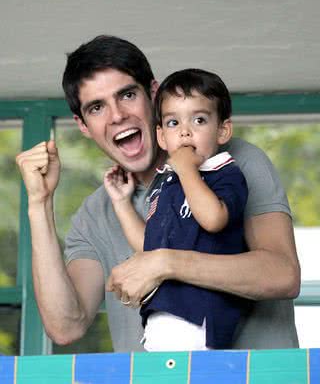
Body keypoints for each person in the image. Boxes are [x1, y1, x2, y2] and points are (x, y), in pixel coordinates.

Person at [16, 34, 300, 353]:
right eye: (97, 107)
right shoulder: (96, 214)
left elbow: (283, 275)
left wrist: (166, 263)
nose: (117, 116)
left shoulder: (235, 162)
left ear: (153, 94)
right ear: (83, 125)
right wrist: (38, 204)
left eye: (126, 95)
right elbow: (65, 326)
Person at [104, 68, 251, 351]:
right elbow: (151, 245)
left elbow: (214, 219)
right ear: (161, 137)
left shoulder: (224, 172)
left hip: (198, 315)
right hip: (161, 315)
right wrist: (122, 202)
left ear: (222, 130)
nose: (185, 131)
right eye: (173, 123)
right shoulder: (167, 182)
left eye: (199, 120)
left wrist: (185, 169)